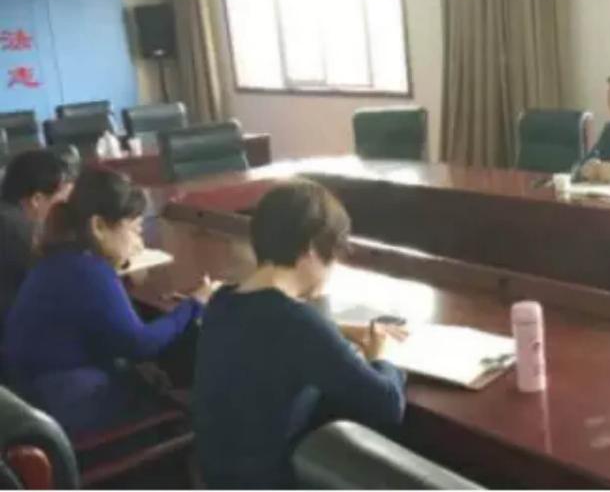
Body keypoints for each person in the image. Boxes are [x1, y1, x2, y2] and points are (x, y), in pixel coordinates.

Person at [193, 180, 407, 488]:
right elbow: (387, 404)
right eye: (332, 256)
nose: (333, 268)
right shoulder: (298, 323)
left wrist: (337, 329)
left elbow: (269, 331)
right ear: (310, 249)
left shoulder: (222, 300)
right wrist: (382, 356)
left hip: (217, 477)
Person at [3, 168, 216, 436]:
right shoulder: (88, 271)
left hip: (30, 401)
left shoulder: (59, 257)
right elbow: (140, 344)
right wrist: (194, 303)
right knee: (183, 398)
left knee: (152, 375)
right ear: (99, 226)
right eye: (135, 230)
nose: (139, 244)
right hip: (66, 409)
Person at [0, 150, 73, 326]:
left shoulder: (9, 217)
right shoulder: (18, 232)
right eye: (63, 201)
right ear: (37, 200)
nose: (68, 209)